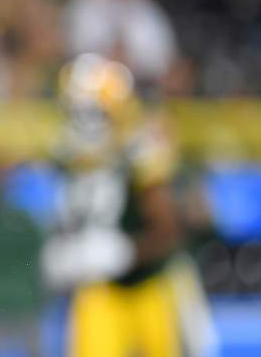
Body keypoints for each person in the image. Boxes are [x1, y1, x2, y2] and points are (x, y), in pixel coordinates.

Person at [40, 54, 182, 357]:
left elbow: (168, 230)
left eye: (91, 111)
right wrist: (62, 250)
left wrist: (126, 252)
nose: (83, 120)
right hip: (98, 290)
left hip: (148, 286)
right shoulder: (66, 154)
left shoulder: (139, 150)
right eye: (76, 110)